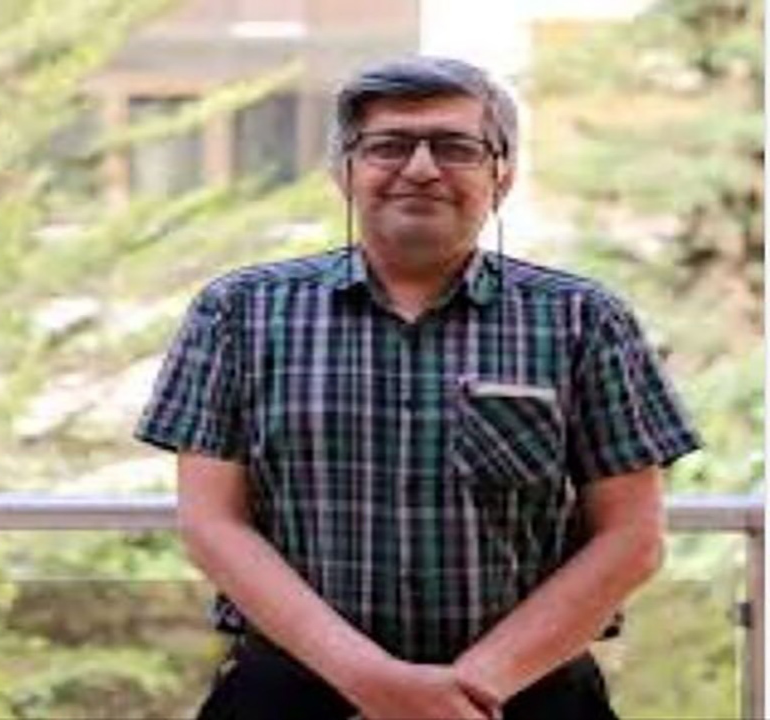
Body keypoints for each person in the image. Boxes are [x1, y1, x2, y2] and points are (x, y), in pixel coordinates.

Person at [135, 56, 702, 720]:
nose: (422, 168)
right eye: (389, 146)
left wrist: (469, 690)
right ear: (344, 170)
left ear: (503, 174)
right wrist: (376, 682)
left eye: (457, 147)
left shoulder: (584, 319)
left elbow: (632, 538)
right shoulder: (237, 312)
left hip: (527, 696)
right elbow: (212, 524)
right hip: (289, 695)